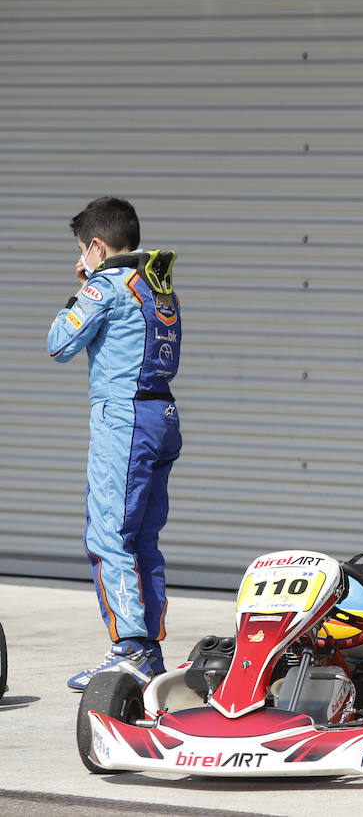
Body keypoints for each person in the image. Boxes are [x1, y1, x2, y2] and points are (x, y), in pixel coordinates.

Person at [47, 197, 182, 690]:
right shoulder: (157, 283)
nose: (80, 259)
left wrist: (81, 288)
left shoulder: (105, 284)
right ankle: (149, 647)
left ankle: (131, 650)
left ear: (98, 246)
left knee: (108, 537)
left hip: (122, 419)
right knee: (143, 539)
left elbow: (59, 342)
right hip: (161, 416)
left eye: (84, 251)